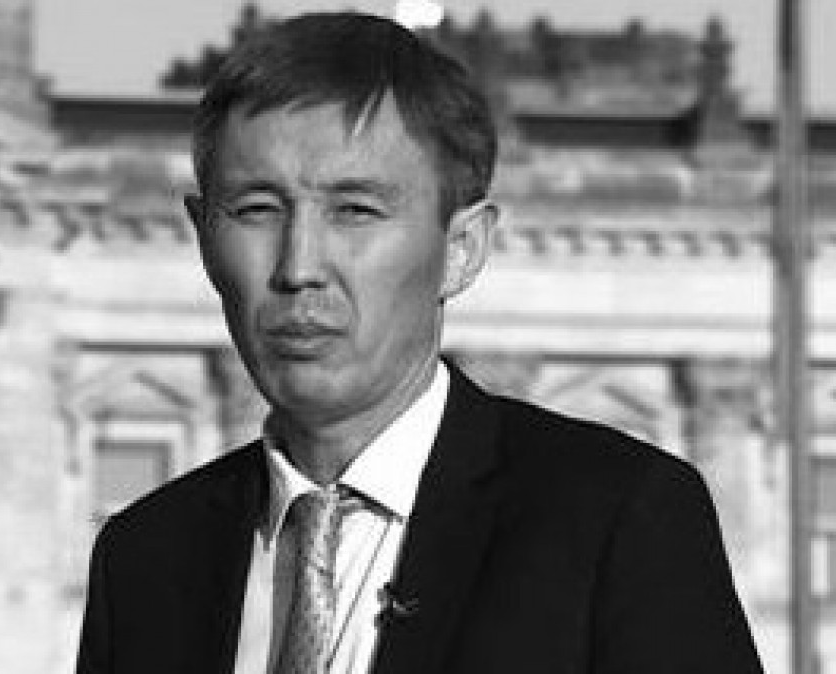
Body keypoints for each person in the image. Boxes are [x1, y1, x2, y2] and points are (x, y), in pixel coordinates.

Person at [76, 11, 764, 674]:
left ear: (462, 249)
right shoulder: (142, 560)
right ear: (204, 236)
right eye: (257, 209)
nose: (299, 267)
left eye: (355, 211)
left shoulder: (619, 518)